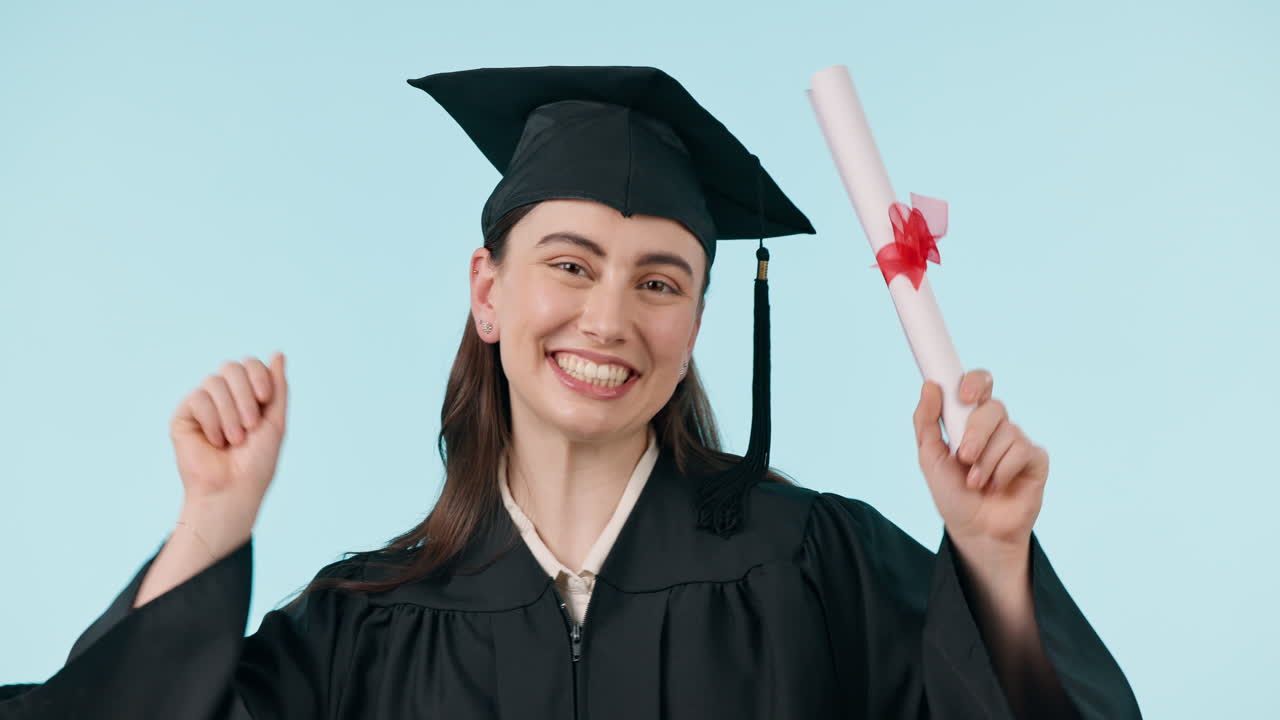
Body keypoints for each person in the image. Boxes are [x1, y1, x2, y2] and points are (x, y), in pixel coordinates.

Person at [0, 66, 1141, 719]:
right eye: (568, 263)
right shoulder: (363, 624)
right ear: (486, 291)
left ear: (693, 324)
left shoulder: (816, 565)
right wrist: (211, 526)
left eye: (658, 280)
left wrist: (989, 559)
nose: (607, 318)